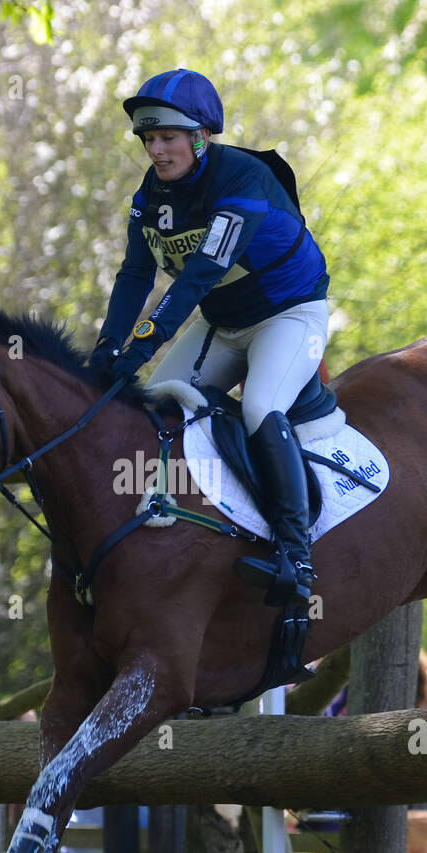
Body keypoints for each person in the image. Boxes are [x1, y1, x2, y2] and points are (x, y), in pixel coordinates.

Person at [88, 68, 332, 607]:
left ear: (200, 137)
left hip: (289, 315)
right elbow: (135, 276)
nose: (156, 149)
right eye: (149, 139)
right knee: (151, 408)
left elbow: (200, 273)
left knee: (260, 407)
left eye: (168, 137)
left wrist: (141, 350)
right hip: (221, 321)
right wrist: (106, 352)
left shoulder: (241, 179)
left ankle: (296, 554)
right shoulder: (149, 195)